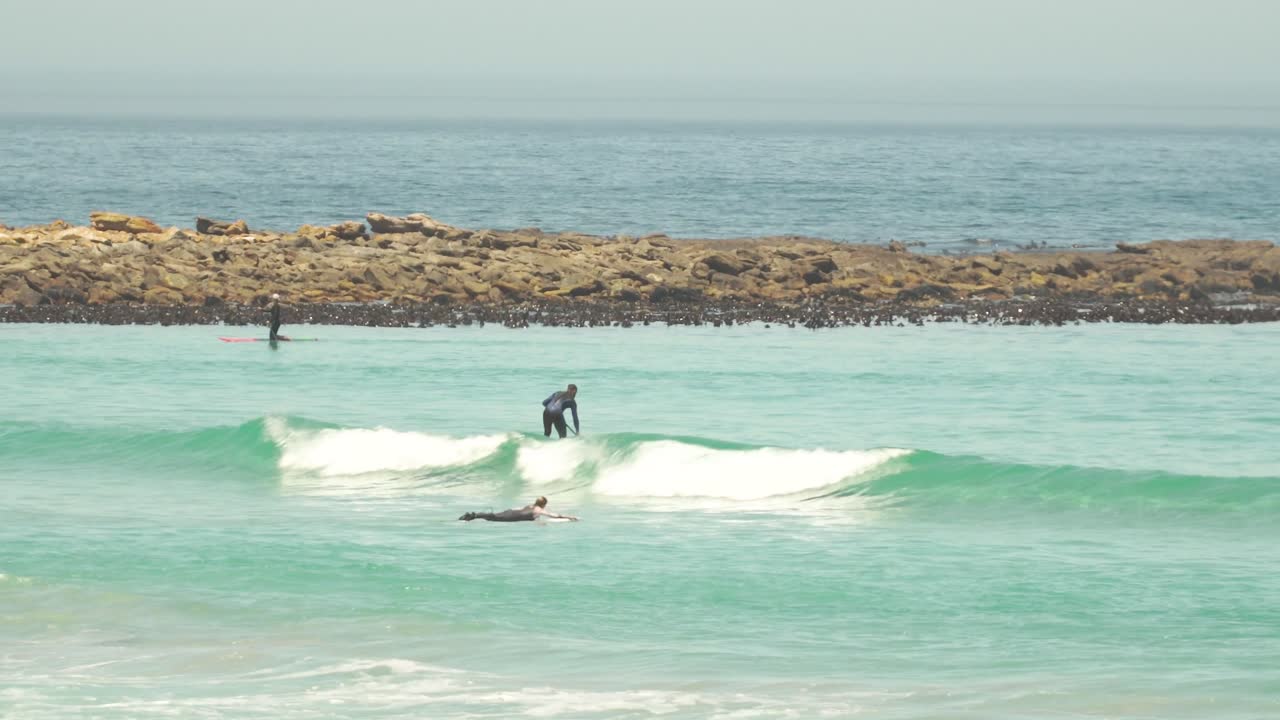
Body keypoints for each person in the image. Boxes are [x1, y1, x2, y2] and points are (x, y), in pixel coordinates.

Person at [458, 496, 578, 522]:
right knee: (493, 517)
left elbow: (518, 508)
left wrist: (539, 522)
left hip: (511, 512)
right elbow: (554, 516)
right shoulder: (539, 510)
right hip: (513, 516)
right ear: (543, 504)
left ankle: (473, 516)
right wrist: (570, 517)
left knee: (493, 516)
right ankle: (472, 515)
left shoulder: (531, 506)